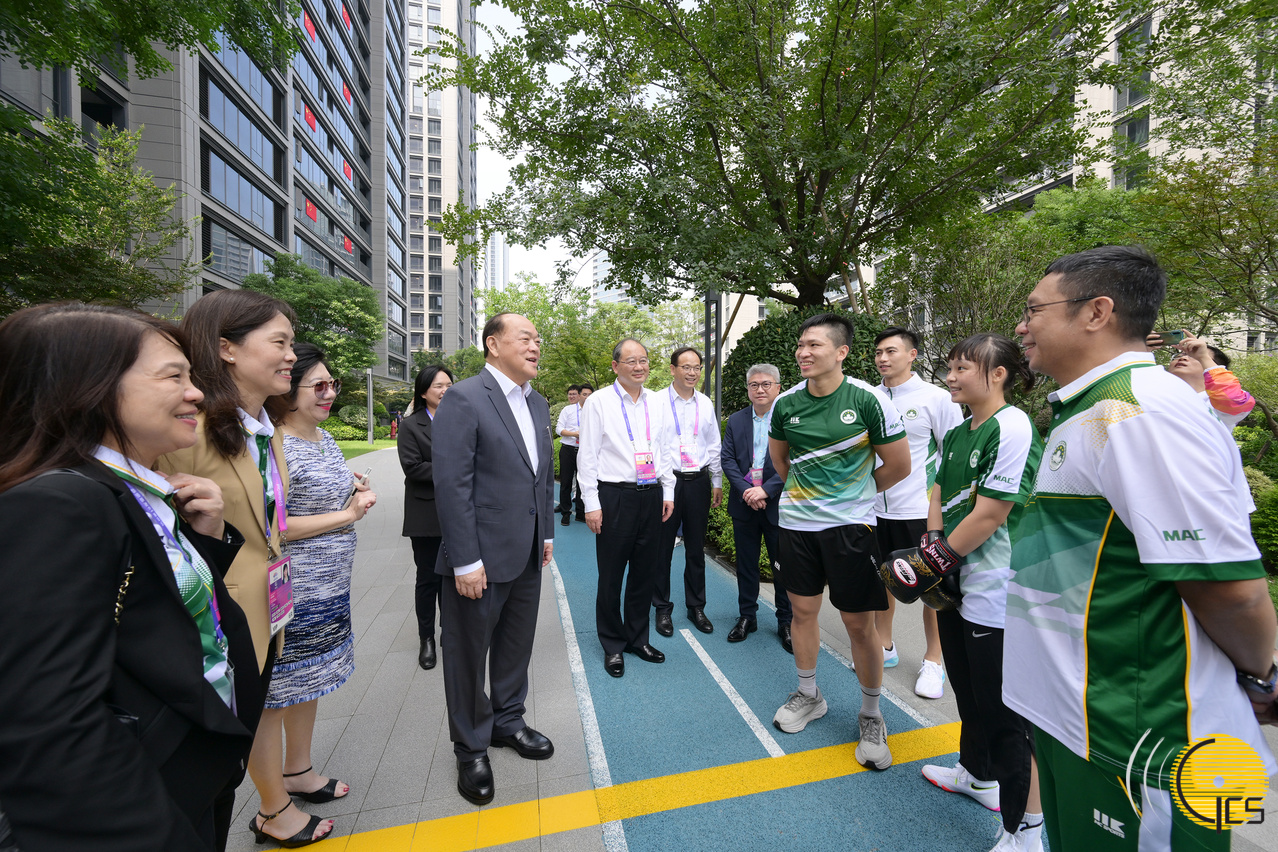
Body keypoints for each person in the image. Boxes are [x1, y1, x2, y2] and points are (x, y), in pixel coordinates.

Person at [1007, 246, 1277, 851]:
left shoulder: (1139, 410)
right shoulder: (1092, 406)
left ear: (1096, 312)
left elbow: (1227, 587)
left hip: (1143, 740)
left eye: (1033, 310)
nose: (1021, 327)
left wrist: (1264, 676)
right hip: (1080, 716)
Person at [0, 303, 261, 851]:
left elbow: (149, 614)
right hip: (141, 795)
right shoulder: (57, 504)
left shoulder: (135, 487)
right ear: (89, 388)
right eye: (173, 377)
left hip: (196, 763)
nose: (197, 394)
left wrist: (206, 537)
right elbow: (53, 722)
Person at [158, 292, 333, 848]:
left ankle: (272, 805)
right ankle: (273, 811)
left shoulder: (262, 427)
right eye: (280, 342)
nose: (292, 356)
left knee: (251, 719)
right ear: (226, 349)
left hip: (266, 606)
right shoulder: (187, 431)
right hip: (211, 622)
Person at [912, 333, 1044, 852]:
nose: (950, 376)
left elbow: (991, 514)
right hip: (956, 579)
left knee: (1005, 713)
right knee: (968, 690)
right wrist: (933, 546)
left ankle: (1025, 829)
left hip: (997, 585)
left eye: (961, 367)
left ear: (998, 374)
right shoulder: (958, 430)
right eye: (950, 367)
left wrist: (935, 561)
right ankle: (977, 775)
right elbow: (938, 494)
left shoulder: (1012, 426)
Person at [767, 313, 910, 770]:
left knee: (859, 625)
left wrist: (852, 496)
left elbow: (899, 465)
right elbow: (780, 461)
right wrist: (808, 500)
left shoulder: (869, 399)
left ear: (841, 351)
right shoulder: (786, 403)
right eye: (800, 345)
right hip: (796, 527)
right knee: (802, 613)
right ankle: (809, 694)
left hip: (852, 530)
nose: (803, 352)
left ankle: (871, 714)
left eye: (814, 345)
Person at [432, 313, 557, 807]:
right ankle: (470, 747)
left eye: (537, 338)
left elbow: (542, 477)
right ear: (493, 344)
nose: (535, 345)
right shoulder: (464, 398)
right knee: (467, 654)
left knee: (515, 645)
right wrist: (464, 560)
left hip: (527, 550)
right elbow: (452, 484)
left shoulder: (537, 402)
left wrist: (546, 534)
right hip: (479, 557)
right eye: (525, 337)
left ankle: (508, 721)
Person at [265, 344, 378, 827]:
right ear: (287, 391)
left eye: (333, 384)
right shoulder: (273, 444)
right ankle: (272, 804)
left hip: (330, 587)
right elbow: (273, 526)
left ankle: (299, 770)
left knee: (309, 680)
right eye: (319, 385)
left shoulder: (324, 438)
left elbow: (326, 494)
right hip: (289, 591)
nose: (329, 393)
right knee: (276, 693)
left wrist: (354, 488)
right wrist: (348, 514)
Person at [871, 327, 964, 699]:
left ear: (912, 355)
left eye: (891, 351)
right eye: (878, 352)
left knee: (932, 588)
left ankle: (933, 660)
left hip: (920, 511)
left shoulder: (936, 398)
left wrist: (942, 507)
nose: (882, 358)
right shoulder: (868, 397)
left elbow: (953, 455)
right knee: (881, 580)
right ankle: (884, 646)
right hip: (873, 510)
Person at [578, 338, 676, 678]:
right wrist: (592, 503)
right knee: (611, 575)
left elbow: (664, 449)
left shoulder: (658, 402)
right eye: (631, 361)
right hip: (614, 496)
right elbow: (587, 456)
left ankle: (638, 638)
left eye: (643, 360)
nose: (639, 366)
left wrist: (668, 491)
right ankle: (612, 644)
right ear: (615, 366)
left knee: (644, 573)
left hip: (651, 494)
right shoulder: (599, 402)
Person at [720, 364, 793, 650]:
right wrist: (748, 491)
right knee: (746, 565)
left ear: (778, 387)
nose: (759, 389)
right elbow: (727, 459)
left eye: (766, 384)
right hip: (745, 504)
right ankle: (747, 616)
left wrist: (765, 489)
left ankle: (785, 621)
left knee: (782, 568)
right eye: (754, 385)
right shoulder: (737, 420)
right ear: (748, 388)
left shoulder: (790, 419)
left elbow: (794, 459)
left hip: (778, 505)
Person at [653, 347, 723, 636]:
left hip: (698, 482)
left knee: (696, 549)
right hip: (667, 482)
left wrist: (716, 480)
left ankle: (696, 607)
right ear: (673, 369)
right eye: (686, 367)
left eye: (697, 367)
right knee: (662, 550)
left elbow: (713, 443)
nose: (692, 372)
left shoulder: (704, 403)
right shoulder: (656, 401)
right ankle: (662, 608)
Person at [399, 364, 455, 670]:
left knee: (455, 576)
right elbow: (413, 468)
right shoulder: (411, 426)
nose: (445, 391)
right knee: (428, 579)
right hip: (426, 515)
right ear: (423, 392)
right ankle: (427, 638)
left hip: (459, 513)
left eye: (449, 385)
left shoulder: (461, 420)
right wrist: (455, 469)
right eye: (438, 386)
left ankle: (451, 631)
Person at [1148, 330, 1257, 428]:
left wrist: (1203, 356)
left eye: (1194, 356)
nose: (1183, 358)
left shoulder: (1215, 405)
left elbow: (1234, 400)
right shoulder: (1158, 394)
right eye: (1178, 355)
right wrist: (1142, 351)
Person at [556, 384, 586, 524]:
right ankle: (565, 512)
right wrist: (574, 434)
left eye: (574, 394)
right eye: (570, 394)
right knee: (566, 482)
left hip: (583, 450)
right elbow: (559, 429)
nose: (572, 396)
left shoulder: (589, 410)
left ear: (579, 395)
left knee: (582, 483)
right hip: (568, 449)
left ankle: (581, 512)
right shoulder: (567, 410)